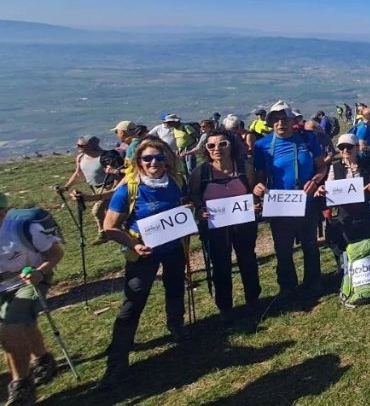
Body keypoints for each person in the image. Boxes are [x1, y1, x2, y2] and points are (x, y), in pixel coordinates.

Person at [96, 138, 188, 391]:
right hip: (143, 255)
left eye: (159, 158)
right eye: (147, 159)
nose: (153, 163)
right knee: (133, 302)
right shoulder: (128, 189)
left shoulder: (177, 182)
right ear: (138, 161)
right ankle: (118, 359)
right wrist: (133, 244)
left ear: (167, 160)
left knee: (175, 287)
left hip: (173, 249)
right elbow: (109, 227)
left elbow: (181, 207)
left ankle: (176, 327)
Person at [252, 101, 327, 298]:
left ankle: (313, 281)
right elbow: (260, 175)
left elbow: (322, 167)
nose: (280, 124)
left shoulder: (307, 138)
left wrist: (315, 181)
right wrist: (258, 187)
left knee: (310, 244)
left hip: (307, 202)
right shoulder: (262, 145)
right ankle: (287, 286)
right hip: (279, 205)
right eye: (275, 120)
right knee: (283, 249)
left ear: (293, 121)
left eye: (284, 119)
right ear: (270, 123)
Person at [188, 128, 261, 323]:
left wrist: (255, 197)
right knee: (220, 266)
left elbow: (252, 188)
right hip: (215, 227)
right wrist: (199, 208)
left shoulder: (245, 168)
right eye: (211, 145)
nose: (217, 149)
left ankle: (253, 300)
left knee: (248, 260)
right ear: (206, 149)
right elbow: (194, 194)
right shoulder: (200, 172)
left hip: (243, 224)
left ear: (232, 146)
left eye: (223, 144)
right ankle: (225, 307)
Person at [0, 193, 64, 405]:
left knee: (12, 328)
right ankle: (43, 359)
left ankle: (21, 385)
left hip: (31, 280)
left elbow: (55, 254)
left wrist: (39, 272)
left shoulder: (23, 228)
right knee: (22, 326)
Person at [317, 133, 370, 269]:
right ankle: (348, 272)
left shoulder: (368, 164)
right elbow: (330, 186)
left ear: (357, 147)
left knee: (369, 244)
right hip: (345, 215)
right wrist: (323, 189)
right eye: (341, 147)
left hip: (366, 213)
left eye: (349, 147)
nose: (345, 150)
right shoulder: (335, 167)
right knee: (347, 247)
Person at [59, 136, 117, 243]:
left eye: (81, 145)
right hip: (94, 188)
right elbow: (78, 174)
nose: (78, 147)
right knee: (107, 211)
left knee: (97, 211)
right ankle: (113, 231)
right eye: (78, 145)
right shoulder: (80, 158)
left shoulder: (105, 157)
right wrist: (66, 187)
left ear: (90, 146)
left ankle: (103, 234)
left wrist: (114, 188)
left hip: (108, 187)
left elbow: (116, 174)